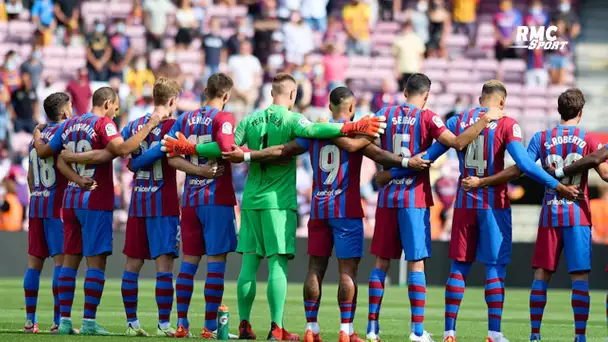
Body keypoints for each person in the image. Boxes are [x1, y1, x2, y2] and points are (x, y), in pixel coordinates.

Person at [161, 73, 387, 341]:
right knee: (277, 266)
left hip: (251, 200)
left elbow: (226, 147)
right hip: (278, 203)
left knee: (249, 265)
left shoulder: (250, 119)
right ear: (292, 95)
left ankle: (243, 323)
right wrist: (351, 127)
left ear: (271, 93)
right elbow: (314, 130)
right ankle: (276, 327)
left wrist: (188, 146)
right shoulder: (292, 119)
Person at [375, 80, 578, 342]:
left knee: (459, 267)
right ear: (502, 102)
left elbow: (425, 159)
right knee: (494, 268)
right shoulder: (508, 124)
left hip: (464, 203)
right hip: (494, 205)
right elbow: (525, 165)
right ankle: (493, 332)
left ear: (481, 98)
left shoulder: (458, 122)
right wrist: (557, 185)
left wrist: (391, 173)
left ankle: (449, 331)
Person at [365, 74, 509, 342]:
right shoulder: (429, 118)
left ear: (405, 91)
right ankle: (417, 331)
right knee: (416, 263)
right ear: (427, 95)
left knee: (381, 262)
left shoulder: (383, 113)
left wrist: (386, 172)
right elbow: (455, 143)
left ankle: (372, 328)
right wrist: (484, 120)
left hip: (386, 198)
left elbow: (370, 146)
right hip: (414, 198)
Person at [460, 88, 602, 342]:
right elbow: (604, 175)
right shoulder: (589, 139)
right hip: (578, 215)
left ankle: (535, 335)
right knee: (579, 276)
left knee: (541, 275)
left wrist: (486, 181)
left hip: (550, 214)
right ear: (581, 112)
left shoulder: (542, 137)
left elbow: (520, 169)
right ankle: (580, 337)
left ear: (559, 111)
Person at [59, 78, 193, 337]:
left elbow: (129, 162)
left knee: (132, 265)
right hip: (162, 204)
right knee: (164, 266)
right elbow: (143, 159)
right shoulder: (175, 125)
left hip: (137, 202)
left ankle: (131, 323)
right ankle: (164, 325)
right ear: (173, 101)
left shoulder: (132, 125)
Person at [32, 86, 169, 335]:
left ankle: (63, 321)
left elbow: (52, 156)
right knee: (96, 263)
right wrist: (149, 126)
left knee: (69, 262)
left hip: (71, 201)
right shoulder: (103, 125)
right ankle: (88, 322)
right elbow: (123, 150)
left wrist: (76, 178)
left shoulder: (69, 124)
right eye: (115, 108)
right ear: (107, 104)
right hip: (95, 201)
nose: (115, 114)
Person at [126, 73, 235, 339]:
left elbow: (171, 157)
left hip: (186, 200)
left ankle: (181, 324)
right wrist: (212, 165)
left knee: (186, 264)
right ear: (226, 96)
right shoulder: (222, 118)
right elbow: (226, 147)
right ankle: (208, 328)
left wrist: (193, 164)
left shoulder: (180, 120)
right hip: (209, 199)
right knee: (215, 263)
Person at [23, 92, 80, 333]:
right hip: (57, 207)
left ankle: (29, 321)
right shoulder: (64, 134)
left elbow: (29, 176)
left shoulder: (33, 140)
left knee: (34, 264)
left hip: (36, 203)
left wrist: (37, 194)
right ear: (65, 112)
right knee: (60, 262)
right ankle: (58, 321)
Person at [227, 40, 262, 120]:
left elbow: (256, 77)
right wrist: (237, 90)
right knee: (237, 118)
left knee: (248, 118)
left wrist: (251, 90)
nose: (244, 49)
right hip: (236, 92)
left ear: (250, 49)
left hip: (250, 92)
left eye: (246, 47)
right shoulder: (233, 59)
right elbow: (230, 77)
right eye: (242, 47)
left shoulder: (254, 60)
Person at [393, 22, 426, 92]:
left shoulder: (417, 39)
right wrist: (396, 70)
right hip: (402, 69)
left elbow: (421, 56)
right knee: (402, 91)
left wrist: (421, 69)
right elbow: (396, 57)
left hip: (414, 69)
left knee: (413, 91)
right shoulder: (398, 39)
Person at [524, 1, 549, 87]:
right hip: (530, 68)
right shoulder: (527, 42)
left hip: (543, 68)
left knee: (543, 88)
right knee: (530, 88)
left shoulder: (546, 42)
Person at [202, 17, 225, 82]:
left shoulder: (221, 38)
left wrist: (222, 63)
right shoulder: (205, 37)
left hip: (217, 65)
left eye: (216, 25)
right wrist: (202, 65)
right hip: (207, 65)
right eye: (212, 25)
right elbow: (202, 52)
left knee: (216, 84)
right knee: (206, 83)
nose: (214, 27)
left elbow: (223, 52)